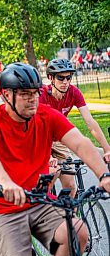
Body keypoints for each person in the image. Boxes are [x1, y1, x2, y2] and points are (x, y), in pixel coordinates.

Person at [0, 63, 110, 256]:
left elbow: (79, 143)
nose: (33, 99)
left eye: (36, 92)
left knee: (78, 233)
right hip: (1, 208)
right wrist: (6, 182)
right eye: (25, 94)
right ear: (7, 95)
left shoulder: (46, 116)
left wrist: (104, 175)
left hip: (40, 202)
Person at [40, 58, 110, 196]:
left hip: (59, 139)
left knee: (71, 186)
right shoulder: (42, 94)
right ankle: (46, 211)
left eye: (68, 77)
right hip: (41, 139)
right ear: (50, 78)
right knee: (49, 179)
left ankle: (69, 215)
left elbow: (90, 122)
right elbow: (37, 128)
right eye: (61, 77)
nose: (65, 82)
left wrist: (107, 150)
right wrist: (47, 156)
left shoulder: (74, 92)